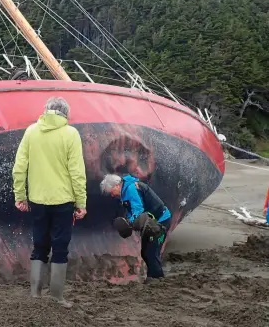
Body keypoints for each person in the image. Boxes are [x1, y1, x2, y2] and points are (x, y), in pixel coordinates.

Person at [12, 96, 87, 306]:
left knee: (39, 245)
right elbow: (77, 173)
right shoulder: (71, 134)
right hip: (64, 201)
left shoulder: (31, 131)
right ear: (66, 113)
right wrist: (81, 202)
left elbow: (19, 167)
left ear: (46, 110)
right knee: (60, 247)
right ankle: (56, 297)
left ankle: (35, 295)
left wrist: (20, 196)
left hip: (37, 200)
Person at [99, 173, 172, 283]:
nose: (112, 195)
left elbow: (138, 210)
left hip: (161, 221)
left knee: (152, 252)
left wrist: (129, 223)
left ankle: (157, 280)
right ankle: (152, 278)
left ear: (116, 186)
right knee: (145, 252)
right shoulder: (125, 192)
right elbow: (132, 211)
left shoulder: (131, 189)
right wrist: (128, 221)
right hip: (150, 223)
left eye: (111, 192)